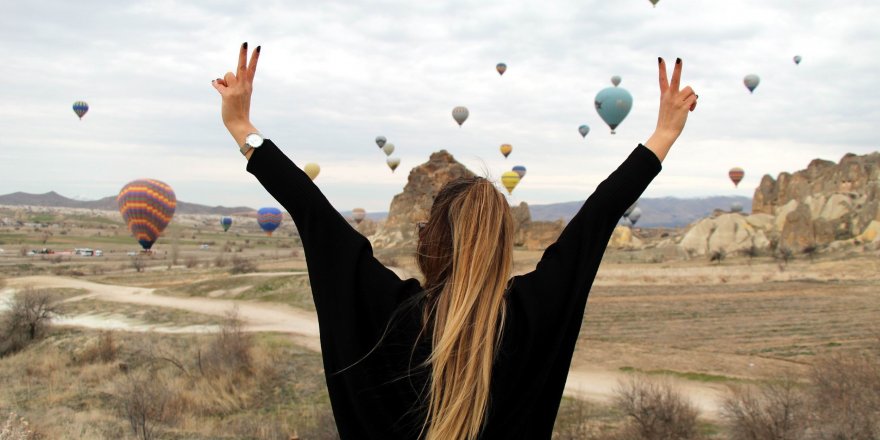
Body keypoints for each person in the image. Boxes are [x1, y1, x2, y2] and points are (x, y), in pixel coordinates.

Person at [212, 43, 697, 440]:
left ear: (430, 243)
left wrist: (242, 128)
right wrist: (663, 135)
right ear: (502, 246)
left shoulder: (384, 315)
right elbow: (596, 219)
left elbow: (312, 212)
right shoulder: (533, 316)